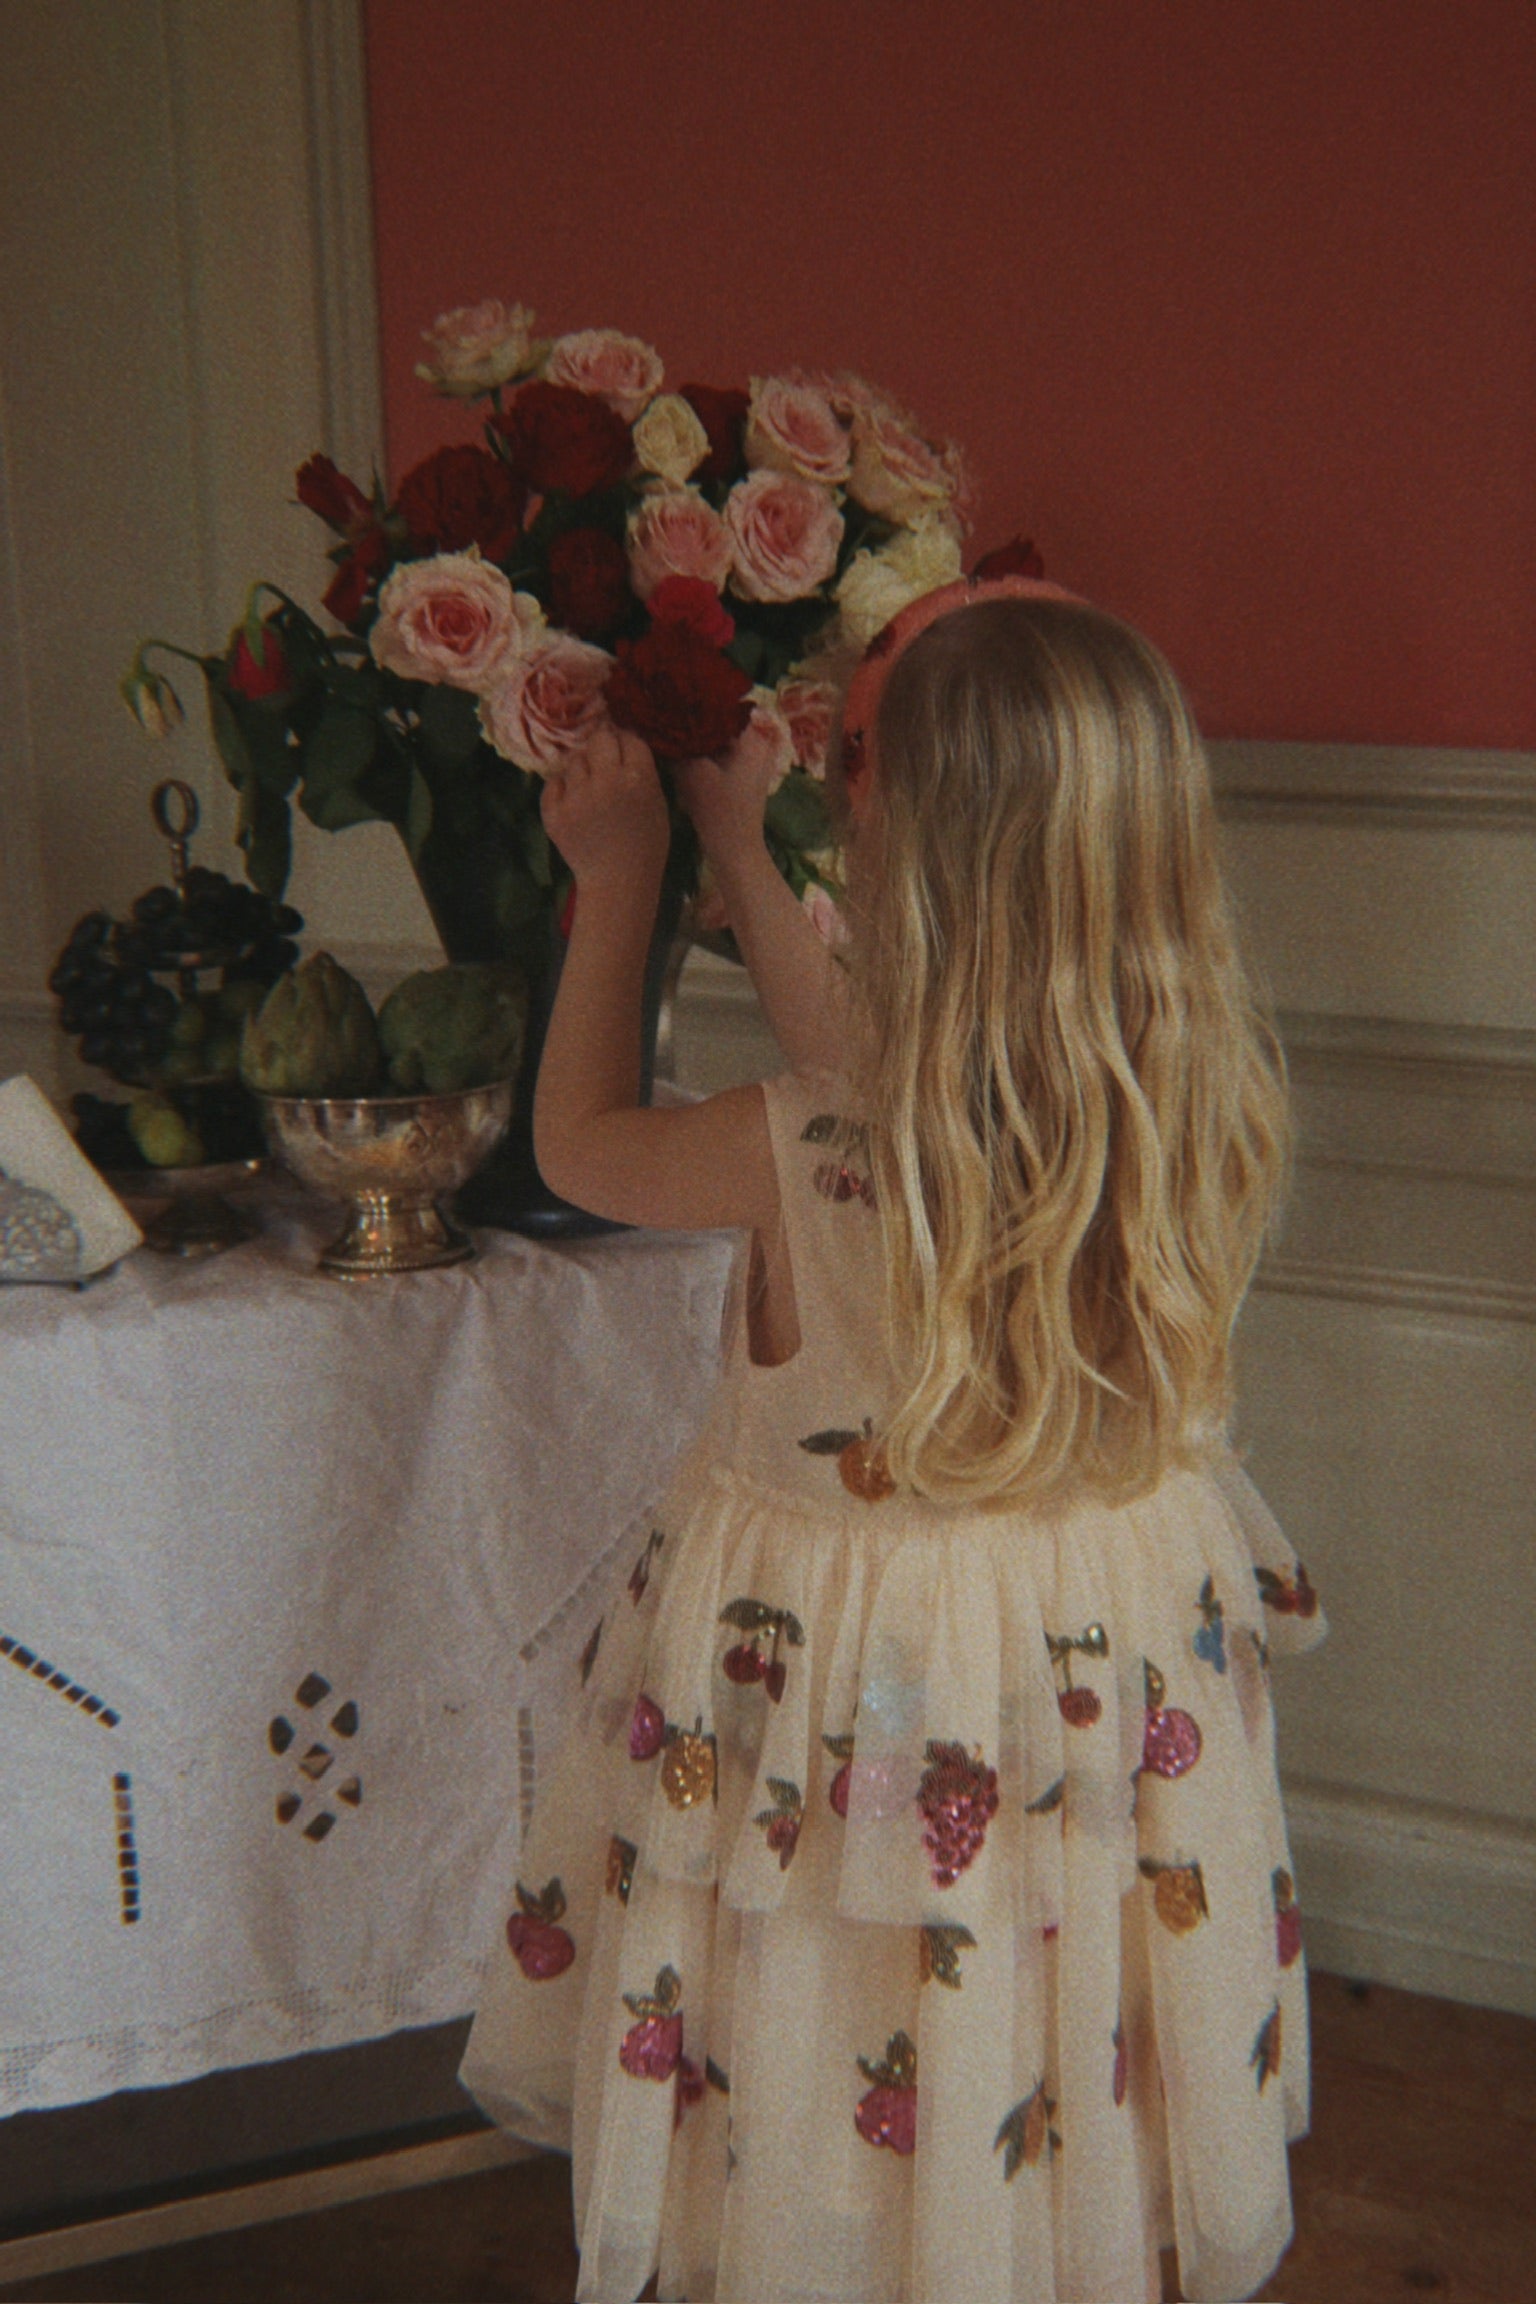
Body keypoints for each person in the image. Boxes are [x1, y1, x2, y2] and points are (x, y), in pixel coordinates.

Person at [460, 576, 1327, 2304]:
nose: (832, 782)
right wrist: (743, 850)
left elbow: (580, 1144)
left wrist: (623, 879)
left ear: (914, 845)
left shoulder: (803, 1145)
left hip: (866, 1673)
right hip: (1089, 1646)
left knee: (843, 1982)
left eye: (855, 761)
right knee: (1037, 1973)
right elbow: (874, 1064)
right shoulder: (1189, 1095)